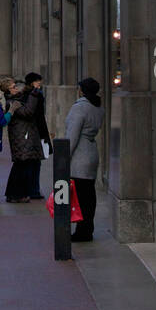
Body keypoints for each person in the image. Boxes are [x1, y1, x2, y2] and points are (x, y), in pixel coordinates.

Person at [66, 77, 104, 241]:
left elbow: (72, 135)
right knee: (89, 194)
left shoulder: (79, 108)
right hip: (91, 151)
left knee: (81, 196)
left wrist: (64, 157)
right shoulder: (98, 107)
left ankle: (83, 230)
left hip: (79, 155)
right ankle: (88, 228)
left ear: (82, 90)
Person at [4, 77, 41, 202]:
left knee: (22, 166)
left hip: (23, 136)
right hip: (20, 138)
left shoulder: (18, 98)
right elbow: (28, 112)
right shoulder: (12, 102)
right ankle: (14, 194)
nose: (16, 88)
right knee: (20, 166)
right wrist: (34, 93)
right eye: (13, 87)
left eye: (15, 86)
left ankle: (18, 193)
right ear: (8, 90)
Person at [26, 71, 52, 199]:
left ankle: (33, 189)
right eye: (37, 81)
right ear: (32, 83)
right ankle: (33, 190)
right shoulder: (35, 95)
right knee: (35, 162)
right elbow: (39, 117)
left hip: (33, 132)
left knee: (34, 162)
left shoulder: (31, 95)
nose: (39, 83)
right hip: (35, 132)